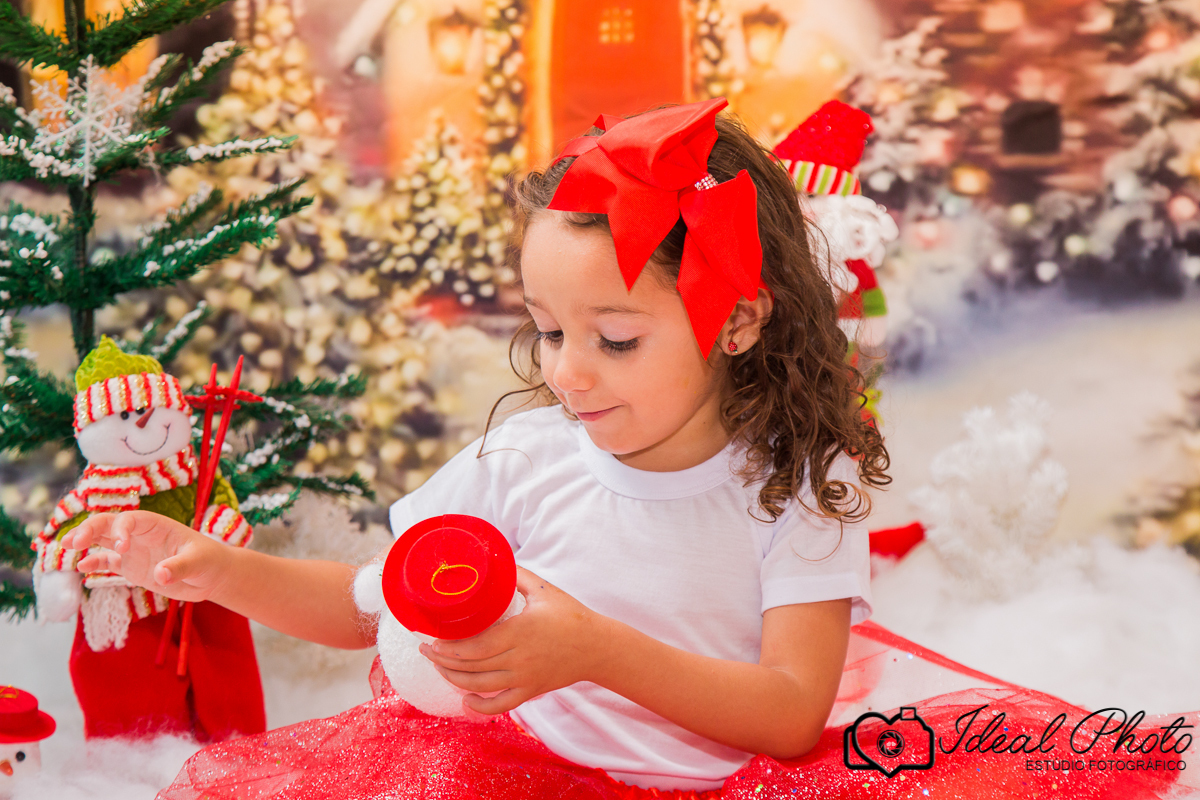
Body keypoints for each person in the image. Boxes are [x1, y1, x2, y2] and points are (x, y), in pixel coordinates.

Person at [59, 99, 1192, 800]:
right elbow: (367, 603)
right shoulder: (526, 462)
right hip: (518, 776)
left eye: (613, 336)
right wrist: (209, 567)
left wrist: (590, 646)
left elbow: (792, 712)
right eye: (548, 331)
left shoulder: (796, 485)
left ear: (736, 321)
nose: (567, 369)